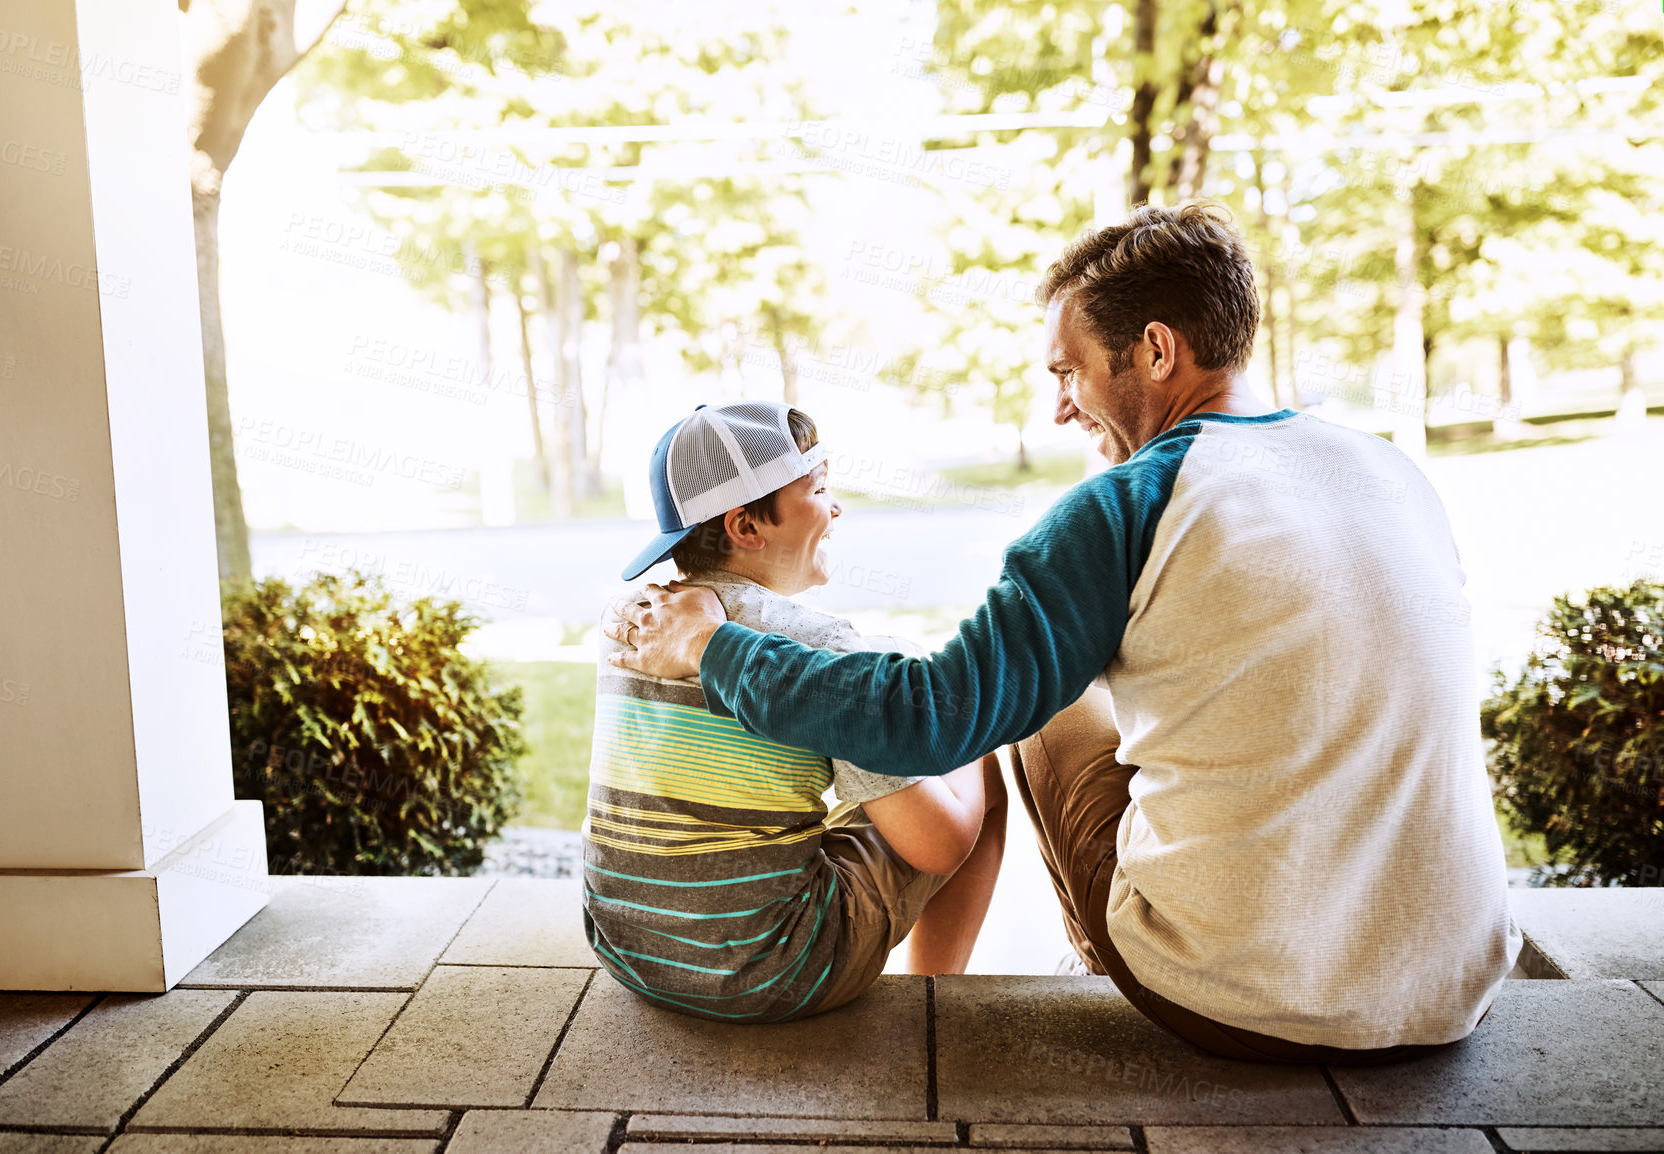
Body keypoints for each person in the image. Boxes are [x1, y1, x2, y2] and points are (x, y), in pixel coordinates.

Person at [603, 203, 1522, 1062]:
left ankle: (1101, 956)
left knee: (1041, 707)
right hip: (1452, 986)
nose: (1060, 406)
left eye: (1068, 370)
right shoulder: (1388, 469)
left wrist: (714, 646)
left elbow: (933, 720)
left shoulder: (1126, 505)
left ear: (1157, 350)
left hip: (1237, 1000)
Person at [583, 400, 1006, 1023]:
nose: (837, 508)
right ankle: (934, 1005)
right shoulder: (821, 648)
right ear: (747, 527)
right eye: (820, 487)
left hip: (628, 950)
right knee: (976, 763)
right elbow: (938, 847)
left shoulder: (633, 623)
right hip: (773, 970)